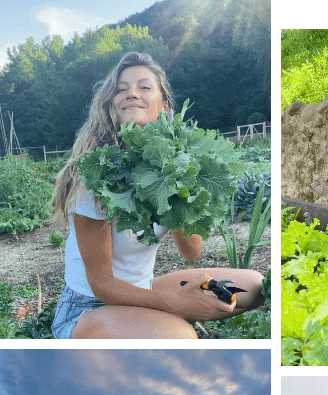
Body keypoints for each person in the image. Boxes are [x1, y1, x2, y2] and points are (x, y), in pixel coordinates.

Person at [50, 51, 264, 339]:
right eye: (121, 89)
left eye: (144, 87)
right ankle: (159, 320)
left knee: (255, 286)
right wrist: (178, 303)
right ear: (111, 105)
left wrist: (177, 186)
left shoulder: (176, 164)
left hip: (143, 288)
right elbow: (101, 283)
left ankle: (154, 318)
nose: (131, 94)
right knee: (182, 338)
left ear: (164, 106)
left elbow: (191, 252)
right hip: (87, 307)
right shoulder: (94, 174)